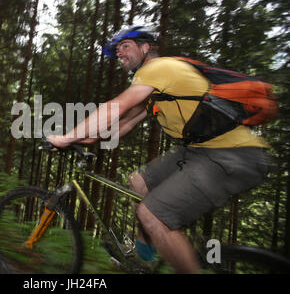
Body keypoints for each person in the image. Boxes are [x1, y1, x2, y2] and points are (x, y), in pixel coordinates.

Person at [46, 25, 270, 273]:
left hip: (231, 155)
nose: (120, 53)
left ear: (145, 48)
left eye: (125, 46)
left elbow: (115, 108)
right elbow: (123, 124)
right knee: (139, 182)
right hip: (199, 151)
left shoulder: (158, 68)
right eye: (117, 49)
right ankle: (145, 257)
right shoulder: (153, 87)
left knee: (153, 214)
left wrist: (66, 137)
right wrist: (84, 139)